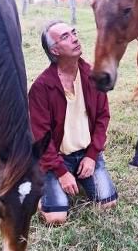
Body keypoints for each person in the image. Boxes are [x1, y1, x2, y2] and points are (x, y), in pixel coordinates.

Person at [28, 20, 118, 224]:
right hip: (55, 160)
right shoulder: (41, 88)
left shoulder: (93, 75)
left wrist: (92, 156)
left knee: (107, 204)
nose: (75, 38)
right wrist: (60, 172)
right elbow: (40, 136)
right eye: (65, 36)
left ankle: (79, 176)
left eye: (74, 32)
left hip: (86, 154)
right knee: (56, 217)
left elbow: (103, 116)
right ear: (55, 50)